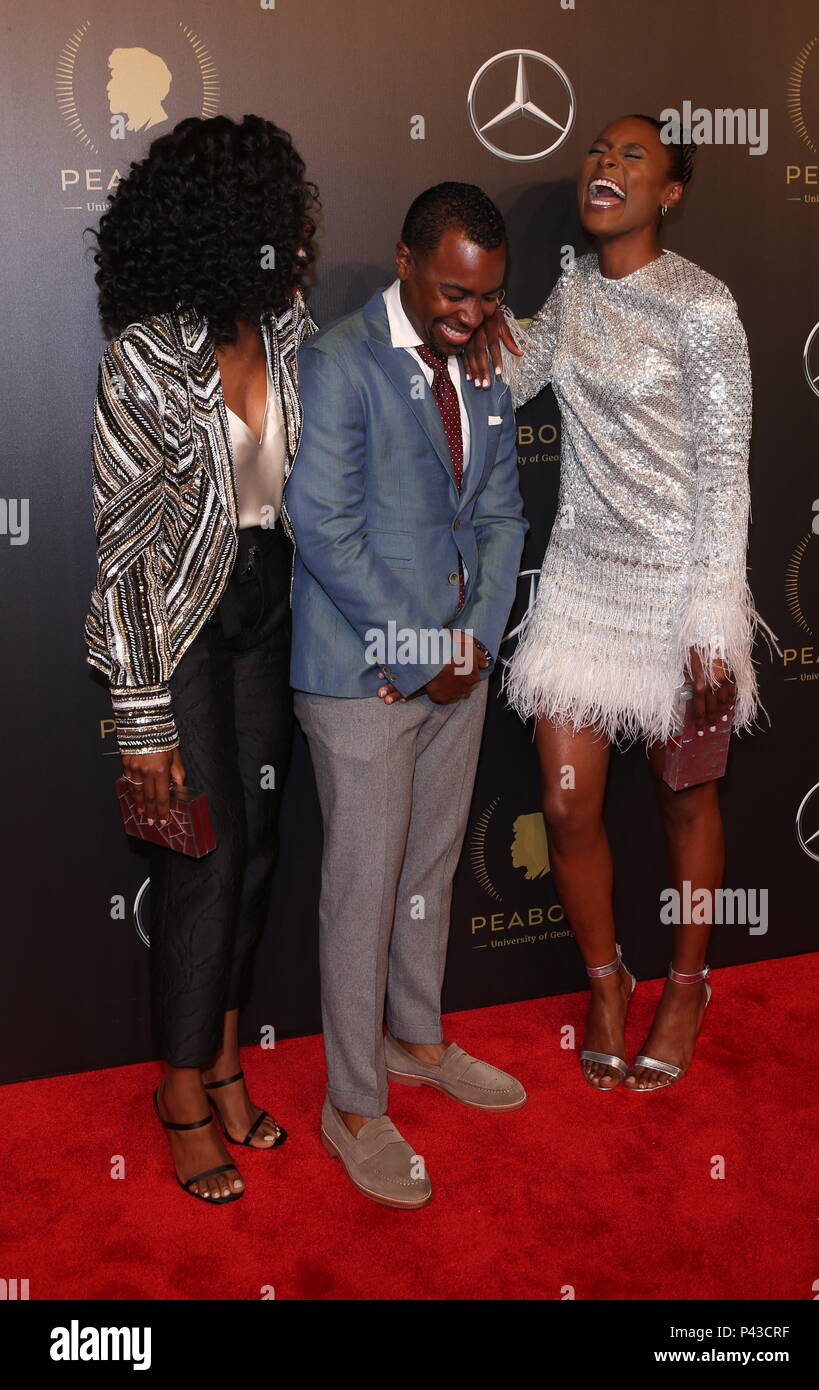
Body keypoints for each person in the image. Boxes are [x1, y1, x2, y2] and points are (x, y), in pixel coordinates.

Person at [466, 115, 761, 1092]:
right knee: (565, 804)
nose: (605, 164)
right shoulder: (576, 291)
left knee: (685, 799)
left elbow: (726, 470)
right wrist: (470, 308)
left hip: (679, 595)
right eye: (597, 151)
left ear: (668, 193)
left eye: (632, 156)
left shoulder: (702, 307)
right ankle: (606, 980)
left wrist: (711, 621)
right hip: (582, 589)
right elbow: (510, 374)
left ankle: (684, 985)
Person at [84, 114, 318, 1201]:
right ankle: (177, 1090)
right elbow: (125, 548)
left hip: (272, 604)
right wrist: (143, 722)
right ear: (234, 224)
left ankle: (223, 1057)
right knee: (205, 859)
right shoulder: (144, 357)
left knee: (260, 845)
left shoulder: (287, 330)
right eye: (282, 211)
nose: (301, 229)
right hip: (181, 622)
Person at [285, 183, 528, 1208]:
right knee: (363, 887)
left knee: (429, 865)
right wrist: (423, 647)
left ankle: (417, 1037)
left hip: (455, 669)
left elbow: (505, 513)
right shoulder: (342, 360)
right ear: (403, 260)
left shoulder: (482, 362)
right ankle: (350, 1101)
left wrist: (470, 643)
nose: (471, 315)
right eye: (453, 292)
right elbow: (321, 526)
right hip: (361, 675)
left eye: (487, 296)